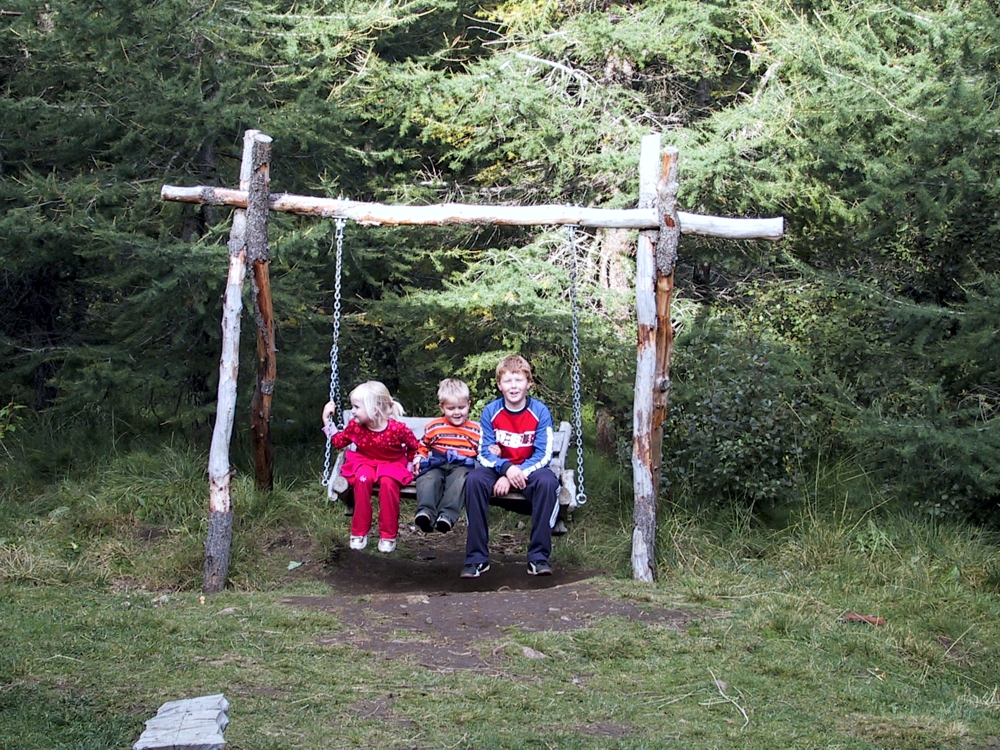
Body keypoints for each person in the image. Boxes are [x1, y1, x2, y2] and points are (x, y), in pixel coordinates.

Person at [461, 355, 560, 578]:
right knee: (475, 480)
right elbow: (484, 452)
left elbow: (543, 455)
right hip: (499, 469)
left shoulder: (540, 411)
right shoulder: (491, 411)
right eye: (507, 381)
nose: (513, 386)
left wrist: (516, 472)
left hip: (529, 470)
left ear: (528, 384)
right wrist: (505, 469)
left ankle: (538, 558)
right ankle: (476, 559)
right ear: (499, 385)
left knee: (548, 482)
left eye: (518, 380)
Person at [322, 381, 420, 554]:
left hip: (391, 463)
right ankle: (359, 531)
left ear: (374, 410)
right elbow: (338, 442)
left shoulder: (398, 429)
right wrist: (326, 419)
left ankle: (388, 534)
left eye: (356, 407)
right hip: (364, 461)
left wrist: (413, 464)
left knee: (389, 483)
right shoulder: (355, 426)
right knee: (362, 479)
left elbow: (414, 446)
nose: (352, 411)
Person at [413, 378, 482, 534]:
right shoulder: (434, 426)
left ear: (469, 405)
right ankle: (425, 513)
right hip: (437, 463)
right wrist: (419, 457)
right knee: (428, 479)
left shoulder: (475, 430)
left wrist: (492, 451)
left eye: (461, 407)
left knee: (461, 479)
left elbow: (481, 452)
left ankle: (447, 516)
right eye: (451, 408)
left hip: (461, 465)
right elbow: (423, 446)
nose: (457, 412)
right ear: (442, 407)